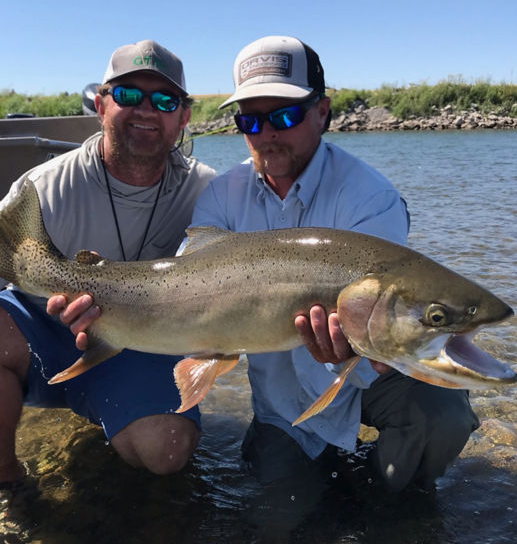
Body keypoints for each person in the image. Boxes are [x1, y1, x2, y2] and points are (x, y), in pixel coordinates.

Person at [0, 40, 216, 544]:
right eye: (129, 93)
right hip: (42, 334)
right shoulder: (45, 189)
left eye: (165, 102)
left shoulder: (207, 194)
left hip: (138, 343)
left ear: (185, 118)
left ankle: (112, 416)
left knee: (166, 451)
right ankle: (9, 488)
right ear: (101, 103)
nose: (147, 111)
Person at [189, 35, 479, 490]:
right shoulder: (221, 199)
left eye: (284, 116)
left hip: (366, 379)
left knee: (441, 416)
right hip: (284, 407)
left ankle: (393, 502)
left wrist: (365, 345)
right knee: (276, 524)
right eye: (249, 120)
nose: (267, 133)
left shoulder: (369, 198)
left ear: (322, 112)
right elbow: (194, 304)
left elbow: (389, 318)